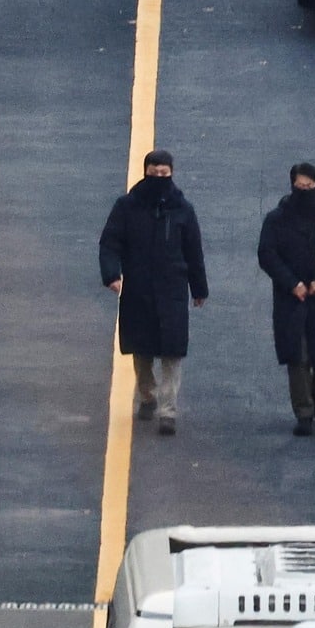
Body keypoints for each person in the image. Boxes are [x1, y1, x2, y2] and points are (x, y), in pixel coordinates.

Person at [98, 149, 208, 435]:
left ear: (171, 173)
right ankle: (148, 394)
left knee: (172, 351)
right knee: (142, 349)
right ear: (145, 171)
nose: (159, 178)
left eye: (164, 173)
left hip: (172, 289)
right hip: (138, 288)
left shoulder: (183, 210)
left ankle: (168, 410)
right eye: (154, 172)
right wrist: (112, 274)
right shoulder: (126, 208)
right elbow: (110, 243)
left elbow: (193, 250)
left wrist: (199, 288)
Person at [256, 161, 315, 437]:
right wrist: (292, 284)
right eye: (300, 186)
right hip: (290, 297)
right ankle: (304, 412)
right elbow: (267, 254)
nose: (305, 190)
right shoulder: (276, 220)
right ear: (292, 185)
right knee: (296, 356)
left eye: (309, 186)